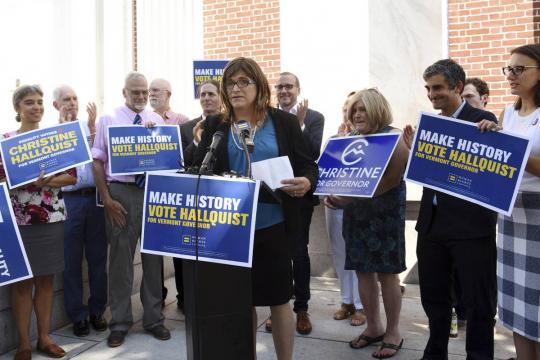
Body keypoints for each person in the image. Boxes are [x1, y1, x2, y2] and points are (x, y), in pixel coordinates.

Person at [194, 57, 318, 360]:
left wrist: (305, 181)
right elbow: (197, 169)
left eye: (243, 82)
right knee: (240, 303)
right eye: (230, 83)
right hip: (230, 230)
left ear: (258, 85)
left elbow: (307, 165)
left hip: (273, 226)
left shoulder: (284, 122)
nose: (235, 88)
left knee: (278, 300)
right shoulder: (215, 124)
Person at [406, 59, 498, 360]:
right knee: (434, 299)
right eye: (428, 89)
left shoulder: (483, 120)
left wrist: (494, 133)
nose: (432, 95)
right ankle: (435, 354)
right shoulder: (429, 127)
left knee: (477, 302)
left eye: (438, 88)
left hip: (471, 229)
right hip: (431, 226)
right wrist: (413, 153)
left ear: (457, 87)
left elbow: (493, 169)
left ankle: (479, 356)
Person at [326, 88, 409, 359]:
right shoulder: (348, 139)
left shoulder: (393, 138)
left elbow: (391, 181)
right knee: (362, 272)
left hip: (384, 218)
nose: (358, 115)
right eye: (355, 110)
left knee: (387, 276)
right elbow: (334, 177)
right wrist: (331, 195)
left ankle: (393, 332)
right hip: (357, 217)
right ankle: (374, 327)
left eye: (363, 109)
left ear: (377, 110)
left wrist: (347, 198)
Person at [92, 72, 170, 347]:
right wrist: (107, 199)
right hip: (121, 194)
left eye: (144, 92)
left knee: (153, 260)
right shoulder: (108, 120)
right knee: (120, 262)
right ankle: (120, 322)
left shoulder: (158, 120)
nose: (139, 97)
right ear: (123, 92)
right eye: (134, 92)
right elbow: (98, 161)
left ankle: (153, 320)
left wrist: (155, 136)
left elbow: (168, 159)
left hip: (151, 191)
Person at [0, 85, 77, 360]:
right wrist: (24, 179)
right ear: (18, 109)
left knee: (46, 280)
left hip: (52, 217)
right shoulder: (6, 141)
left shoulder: (54, 139)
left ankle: (44, 338)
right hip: (18, 220)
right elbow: (0, 178)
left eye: (40, 102)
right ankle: (23, 344)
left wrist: (44, 181)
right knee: (22, 283)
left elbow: (71, 177)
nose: (36, 107)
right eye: (30, 102)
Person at [478, 43, 540, 360]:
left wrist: (513, 149)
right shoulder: (508, 112)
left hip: (538, 217)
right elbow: (501, 164)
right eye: (509, 69)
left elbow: (522, 160)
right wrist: (491, 139)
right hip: (511, 216)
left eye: (520, 69)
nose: (511, 75)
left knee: (539, 307)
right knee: (517, 304)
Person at [265, 72, 325, 335]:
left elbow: (311, 155)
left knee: (299, 252)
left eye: (289, 86)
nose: (284, 91)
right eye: (279, 87)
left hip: (299, 198)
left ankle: (301, 309)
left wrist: (298, 127)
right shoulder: (266, 118)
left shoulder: (314, 118)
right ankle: (277, 309)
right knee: (275, 254)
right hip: (271, 198)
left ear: (299, 90)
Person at [52, 85, 108, 337]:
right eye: (66, 99)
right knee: (71, 261)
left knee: (98, 259)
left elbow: (101, 158)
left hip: (94, 200)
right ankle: (78, 316)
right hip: (69, 201)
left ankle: (97, 310)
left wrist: (93, 126)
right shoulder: (50, 135)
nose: (72, 103)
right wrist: (64, 133)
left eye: (75, 98)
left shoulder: (90, 127)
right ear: (56, 105)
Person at [172, 79, 221, 313]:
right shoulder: (186, 127)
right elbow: (183, 163)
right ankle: (185, 299)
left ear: (221, 98)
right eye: (203, 95)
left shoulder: (229, 124)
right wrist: (196, 141)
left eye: (211, 94)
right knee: (186, 255)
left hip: (220, 201)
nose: (206, 98)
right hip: (192, 201)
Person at [324, 93, 366, 327]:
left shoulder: (370, 140)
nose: (351, 114)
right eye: (347, 109)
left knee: (357, 257)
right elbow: (323, 172)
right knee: (340, 256)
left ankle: (362, 306)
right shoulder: (334, 139)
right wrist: (338, 145)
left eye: (357, 109)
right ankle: (346, 301)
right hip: (334, 206)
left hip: (357, 208)